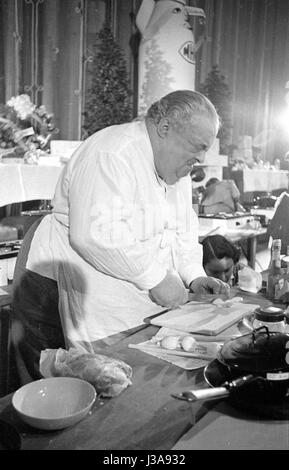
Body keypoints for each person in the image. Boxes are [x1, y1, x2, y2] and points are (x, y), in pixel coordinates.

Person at [10, 90, 230, 387]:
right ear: (164, 128)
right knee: (52, 381)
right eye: (198, 146)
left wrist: (193, 275)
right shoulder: (112, 152)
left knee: (117, 375)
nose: (202, 157)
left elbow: (182, 227)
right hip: (57, 279)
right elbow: (96, 235)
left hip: (120, 284)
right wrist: (156, 278)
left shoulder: (180, 168)